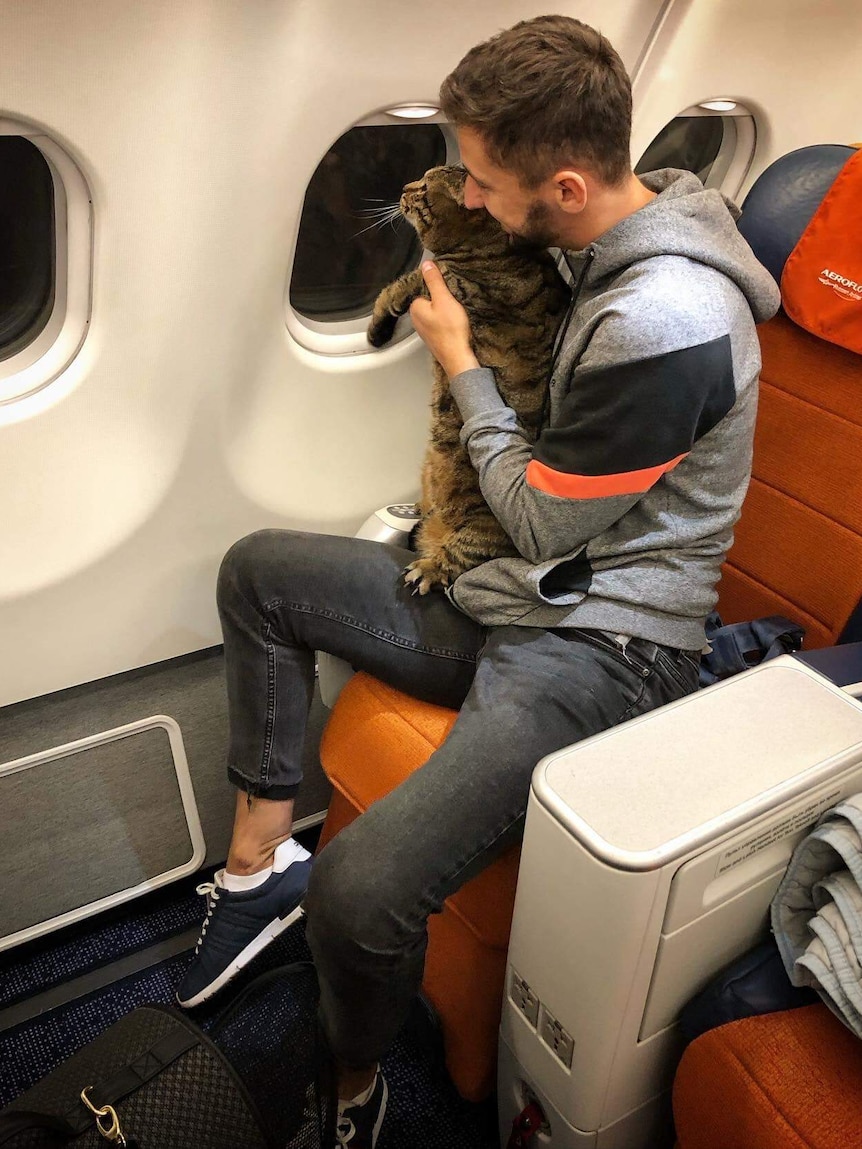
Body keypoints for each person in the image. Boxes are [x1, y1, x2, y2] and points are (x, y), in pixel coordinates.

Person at [177, 14, 780, 1148]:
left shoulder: (668, 319)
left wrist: (461, 364)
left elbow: (546, 521)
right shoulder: (591, 238)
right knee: (259, 574)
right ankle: (256, 877)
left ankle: (353, 1092)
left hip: (603, 644)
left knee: (359, 893)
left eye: (486, 183)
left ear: (563, 183)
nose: (468, 200)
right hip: (518, 596)